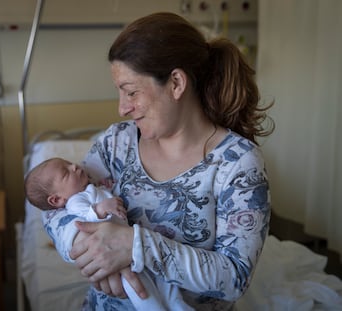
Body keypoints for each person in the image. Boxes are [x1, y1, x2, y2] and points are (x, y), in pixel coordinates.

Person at [42, 12, 274, 311]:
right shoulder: (117, 143)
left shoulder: (237, 164)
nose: (123, 108)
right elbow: (54, 207)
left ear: (176, 83)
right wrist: (89, 250)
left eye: (131, 92)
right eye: (120, 93)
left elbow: (234, 278)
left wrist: (133, 246)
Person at [24, 157, 194, 311]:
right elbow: (84, 215)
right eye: (65, 172)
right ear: (56, 200)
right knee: (141, 291)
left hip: (132, 246)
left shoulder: (90, 187)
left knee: (164, 282)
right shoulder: (75, 201)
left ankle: (179, 305)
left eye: (70, 163)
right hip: (115, 260)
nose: (74, 166)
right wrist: (101, 209)